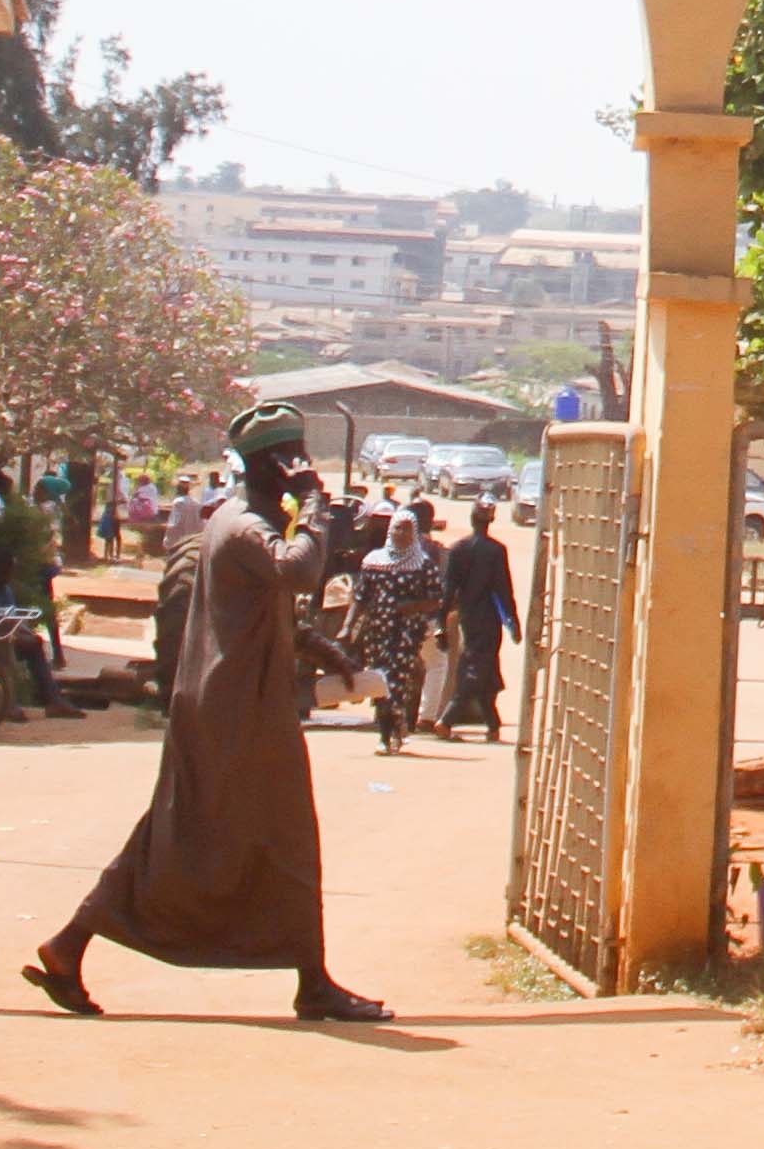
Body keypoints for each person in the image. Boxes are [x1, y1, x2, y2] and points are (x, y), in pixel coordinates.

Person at [26, 401, 383, 1023]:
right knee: (280, 838)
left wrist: (322, 647)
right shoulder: (246, 526)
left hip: (236, 707)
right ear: (275, 465)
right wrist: (318, 509)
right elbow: (295, 572)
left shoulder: (245, 524)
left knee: (192, 836)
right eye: (296, 461)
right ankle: (313, 984)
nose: (305, 473)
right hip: (234, 714)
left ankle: (68, 946)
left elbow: (259, 612)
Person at [355, 501, 439, 754]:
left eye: (406, 530)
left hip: (406, 635)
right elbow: (360, 597)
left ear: (414, 533)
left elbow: (436, 598)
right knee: (379, 682)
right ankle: (386, 732)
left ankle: (392, 732)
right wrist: (349, 626)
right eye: (398, 529)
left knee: (397, 683)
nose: (401, 534)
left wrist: (414, 606)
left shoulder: (423, 565)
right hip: (377, 633)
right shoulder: (373, 561)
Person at [443, 500, 521, 740]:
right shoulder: (496, 551)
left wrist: (440, 622)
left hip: (467, 616)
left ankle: (493, 724)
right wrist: (513, 622)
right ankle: (447, 719)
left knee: (486, 668)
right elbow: (504, 590)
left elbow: (448, 591)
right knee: (476, 669)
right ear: (490, 521)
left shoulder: (458, 549)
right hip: (488, 618)